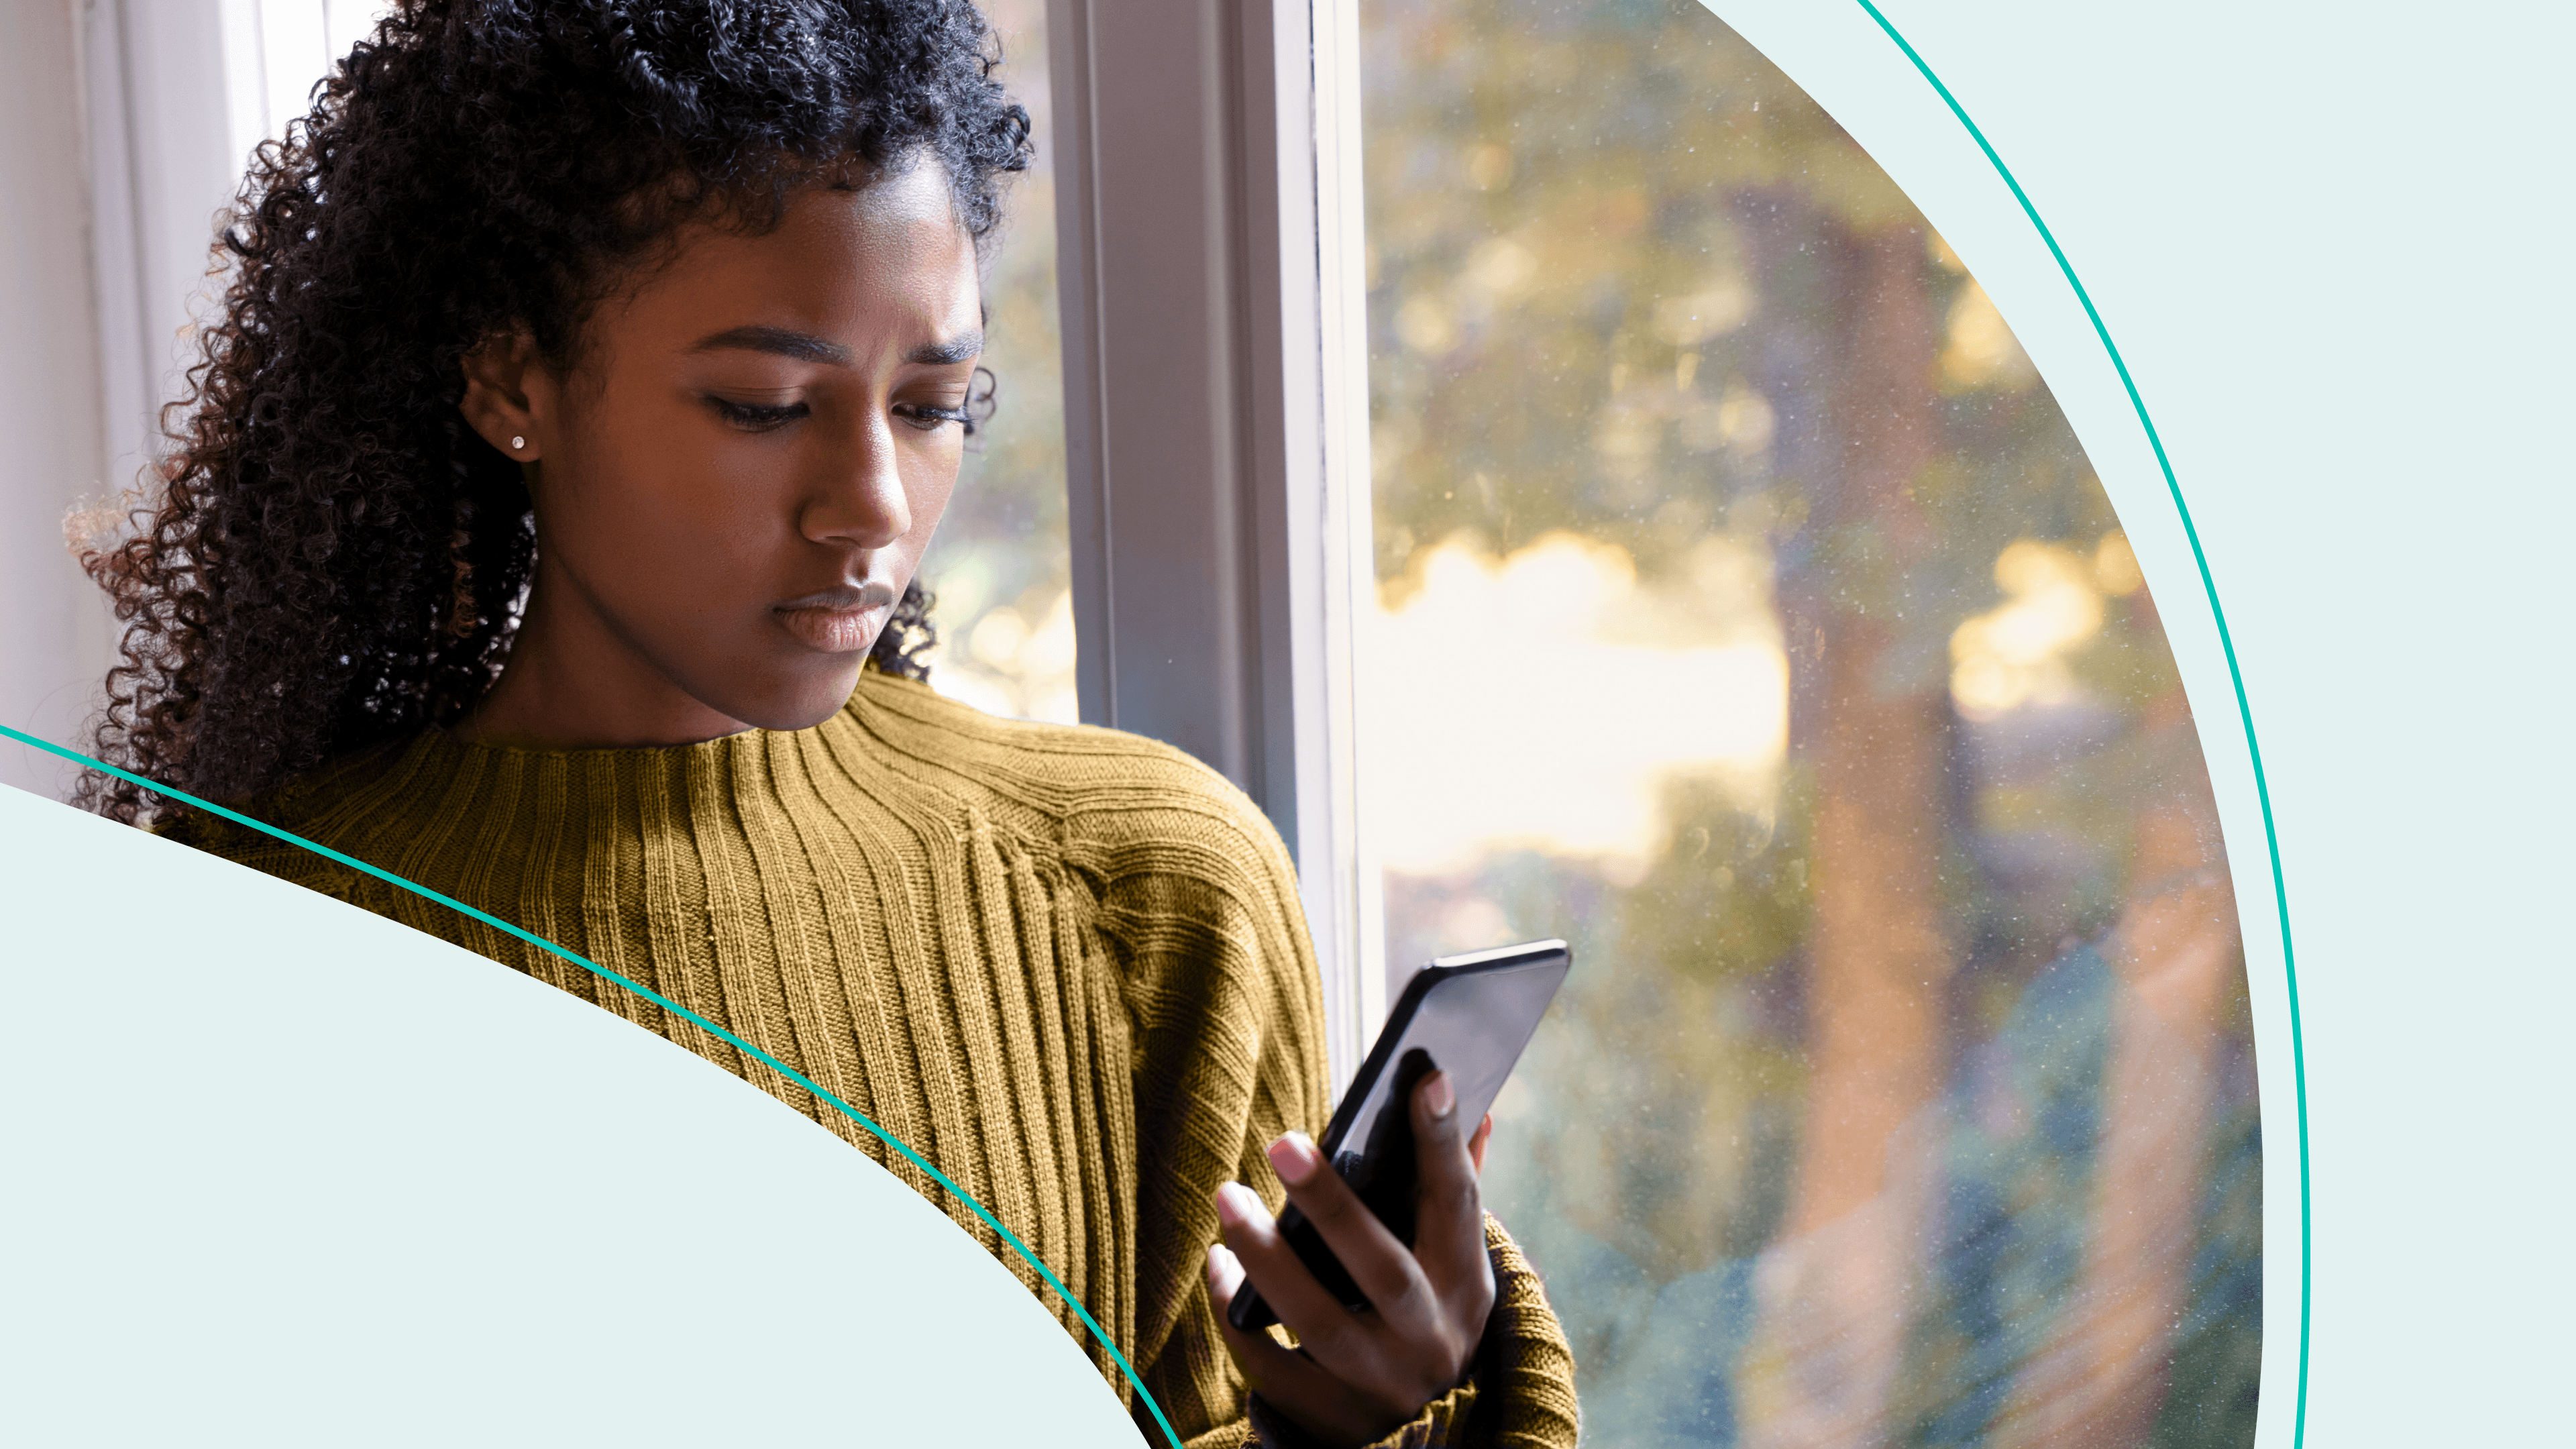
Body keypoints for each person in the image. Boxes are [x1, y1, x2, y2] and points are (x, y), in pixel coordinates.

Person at [77, 3, 1578, 1446]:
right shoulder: (264, 949)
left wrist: (1371, 1420)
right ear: (508, 376)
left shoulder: (1150, 896)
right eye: (762, 406)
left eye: (931, 406)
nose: (871, 505)